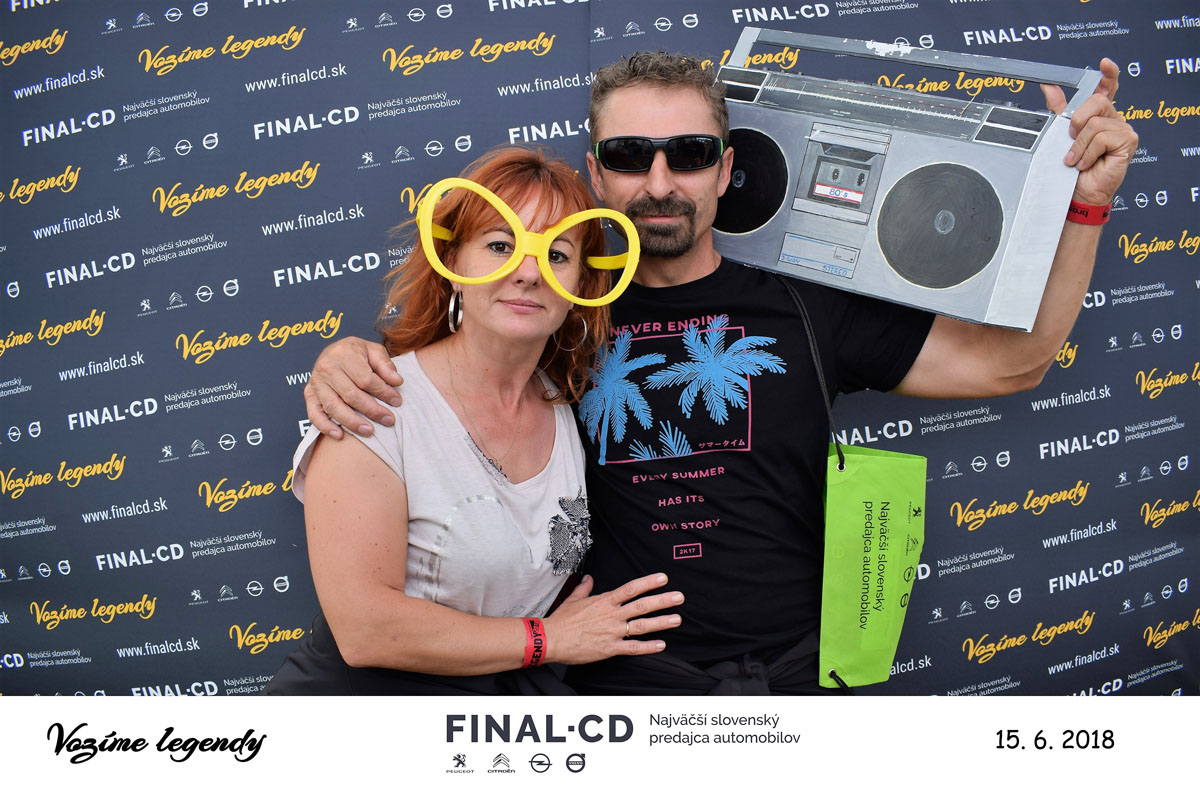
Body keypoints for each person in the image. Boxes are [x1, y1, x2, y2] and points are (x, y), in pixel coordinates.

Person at [302, 53, 1138, 694]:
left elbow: (1010, 364)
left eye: (691, 153)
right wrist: (342, 364)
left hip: (801, 676)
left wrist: (1086, 204)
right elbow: (451, 375)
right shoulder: (561, 306)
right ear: (597, 173)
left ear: (727, 169)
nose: (660, 181)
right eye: (630, 154)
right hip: (622, 691)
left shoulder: (807, 304)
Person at [265, 147, 683, 695]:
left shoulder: (569, 406)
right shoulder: (372, 403)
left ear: (579, 288)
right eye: (500, 246)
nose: (528, 273)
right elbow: (366, 631)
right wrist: (549, 639)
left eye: (557, 255)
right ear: (453, 266)